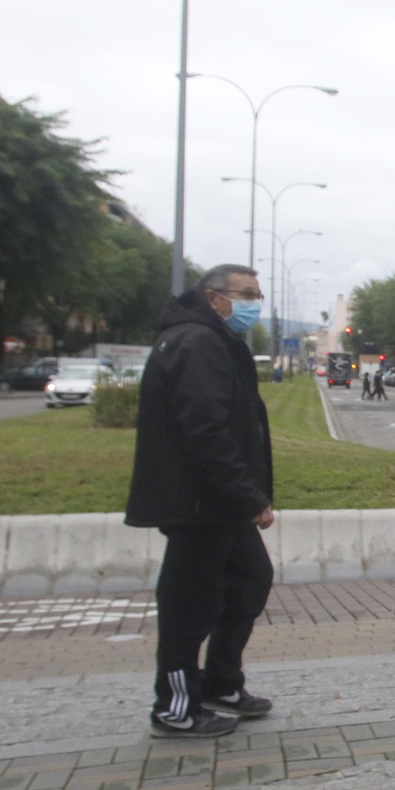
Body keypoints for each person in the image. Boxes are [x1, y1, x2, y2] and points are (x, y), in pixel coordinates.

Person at [126, 264, 275, 738]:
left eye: (258, 294)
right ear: (214, 298)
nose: (253, 303)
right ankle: (174, 708)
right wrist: (247, 494)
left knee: (250, 578)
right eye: (246, 294)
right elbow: (204, 430)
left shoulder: (213, 341)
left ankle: (221, 683)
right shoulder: (196, 343)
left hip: (217, 503)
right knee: (188, 605)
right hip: (199, 502)